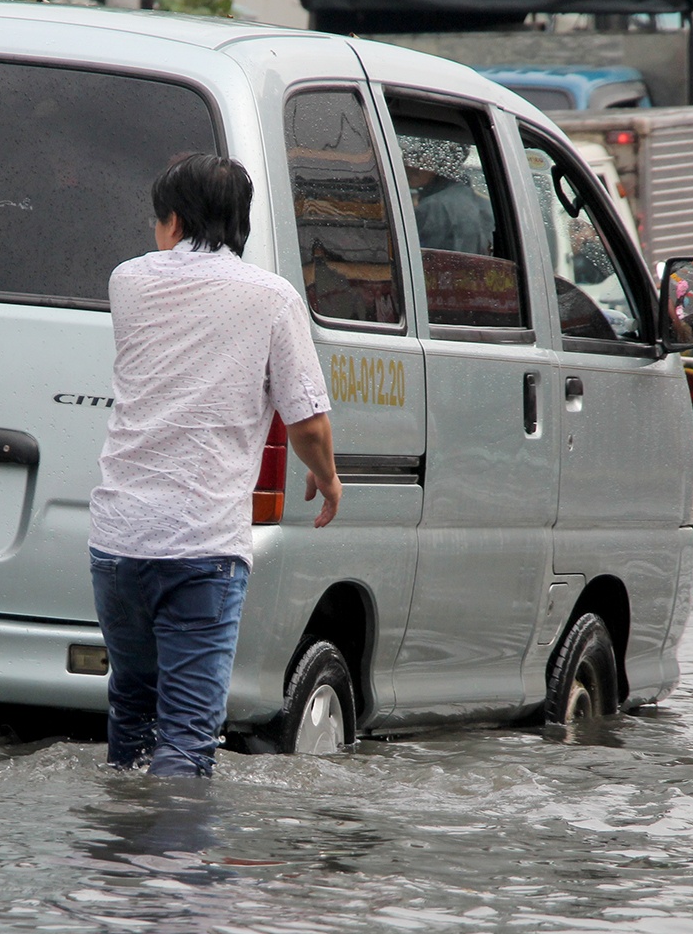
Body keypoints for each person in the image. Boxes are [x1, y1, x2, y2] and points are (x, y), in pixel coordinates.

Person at [87, 153, 342, 778]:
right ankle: (176, 873)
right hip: (201, 546)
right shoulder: (271, 298)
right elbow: (306, 421)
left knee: (132, 708)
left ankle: (123, 865)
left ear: (172, 220)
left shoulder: (128, 281)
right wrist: (329, 479)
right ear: (240, 223)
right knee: (185, 740)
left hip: (117, 543)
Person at [399, 134, 493, 256]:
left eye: (417, 157)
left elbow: (415, 263)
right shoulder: (485, 205)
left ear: (441, 162)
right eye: (406, 156)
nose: (408, 165)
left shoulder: (433, 208)